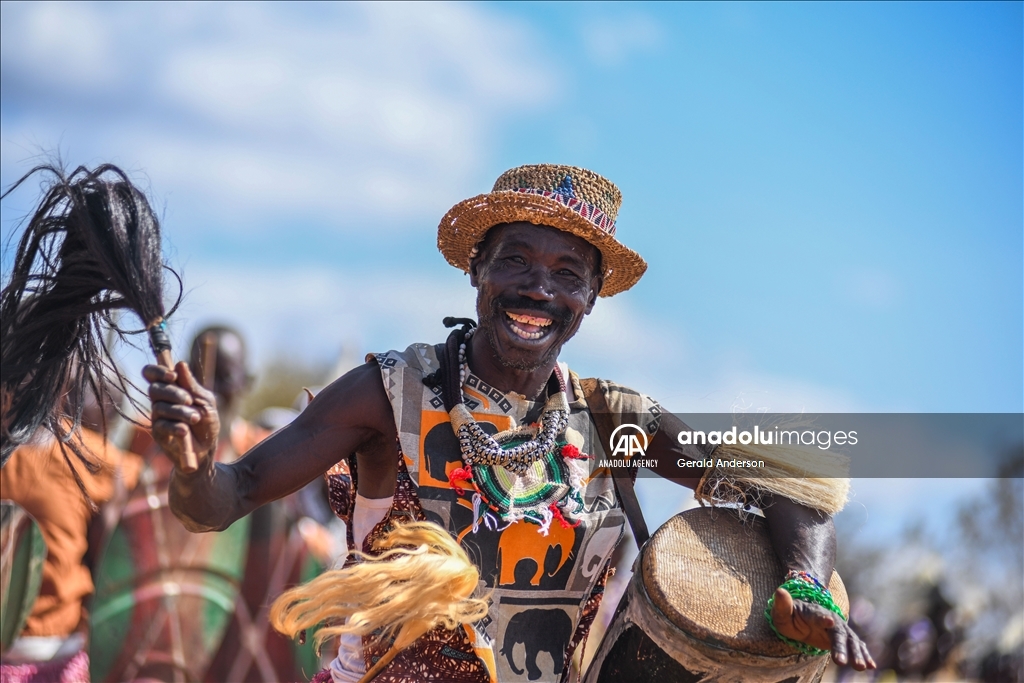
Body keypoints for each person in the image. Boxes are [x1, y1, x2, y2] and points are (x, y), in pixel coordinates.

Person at [144, 164, 876, 682]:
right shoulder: (389, 393)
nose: (538, 289)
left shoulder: (610, 419)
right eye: (516, 261)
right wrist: (194, 465)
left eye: (567, 273)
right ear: (477, 270)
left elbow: (791, 483)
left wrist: (804, 585)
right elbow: (225, 498)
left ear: (591, 296)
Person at [0, 378, 139, 683]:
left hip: (56, 651)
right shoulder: (93, 456)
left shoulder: (96, 459)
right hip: (56, 651)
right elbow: (106, 558)